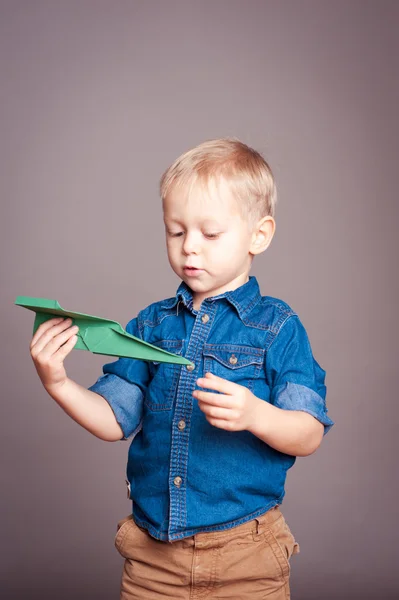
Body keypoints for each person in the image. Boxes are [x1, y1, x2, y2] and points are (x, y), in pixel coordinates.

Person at [30, 138, 334, 599]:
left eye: (210, 234)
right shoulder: (152, 323)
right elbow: (114, 420)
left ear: (259, 235)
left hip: (246, 554)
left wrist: (257, 415)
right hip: (154, 559)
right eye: (176, 231)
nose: (190, 247)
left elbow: (308, 433)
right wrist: (57, 382)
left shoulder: (279, 327)